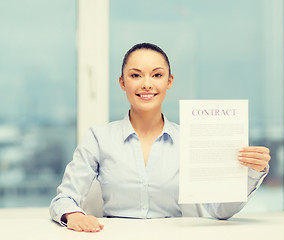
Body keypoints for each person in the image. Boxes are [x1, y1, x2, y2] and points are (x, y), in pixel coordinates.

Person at [49, 43, 271, 232]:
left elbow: (220, 211)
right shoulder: (99, 138)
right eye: (136, 75)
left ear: (169, 81)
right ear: (122, 82)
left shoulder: (190, 139)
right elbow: (64, 198)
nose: (146, 83)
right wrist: (75, 215)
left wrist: (251, 172)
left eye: (157, 75)